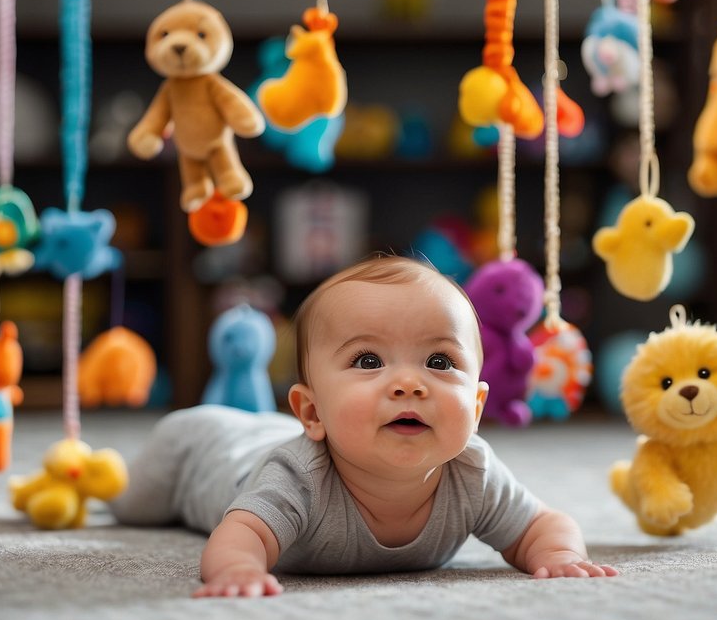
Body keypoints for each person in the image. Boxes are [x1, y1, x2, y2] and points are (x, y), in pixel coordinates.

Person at [112, 256, 617, 597]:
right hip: (206, 446)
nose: (409, 384)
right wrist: (239, 569)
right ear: (311, 412)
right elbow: (241, 533)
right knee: (130, 506)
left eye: (439, 362)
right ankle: (98, 477)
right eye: (369, 360)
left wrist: (560, 555)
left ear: (478, 407)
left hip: (258, 435)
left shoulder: (472, 471)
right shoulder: (298, 474)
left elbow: (545, 524)